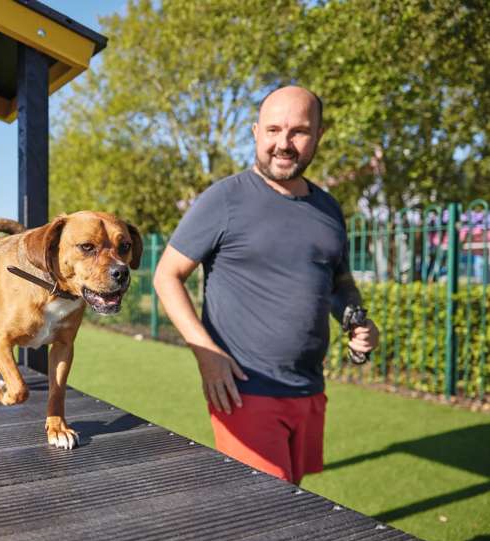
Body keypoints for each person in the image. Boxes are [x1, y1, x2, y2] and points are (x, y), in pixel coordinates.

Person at [153, 85, 379, 485]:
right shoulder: (224, 199)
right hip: (244, 389)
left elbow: (338, 281)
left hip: (309, 387)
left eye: (299, 131)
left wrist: (355, 319)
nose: (284, 143)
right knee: (268, 514)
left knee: (293, 495)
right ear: (256, 132)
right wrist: (205, 352)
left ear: (319, 135)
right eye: (273, 130)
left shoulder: (328, 209)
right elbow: (166, 275)